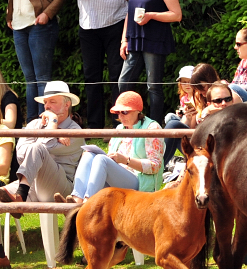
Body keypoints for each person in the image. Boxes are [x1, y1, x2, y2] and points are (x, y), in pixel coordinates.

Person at [0, 81, 84, 269]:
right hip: (30, 183)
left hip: (60, 188)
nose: (48, 107)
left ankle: (20, 198)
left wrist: (52, 125)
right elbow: (20, 154)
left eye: (53, 102)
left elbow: (42, 149)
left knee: (37, 148)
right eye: (46, 103)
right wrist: (51, 134)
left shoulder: (76, 130)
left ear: (67, 104)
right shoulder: (35, 124)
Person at [55, 91, 164, 203]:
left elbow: (155, 166)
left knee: (101, 159)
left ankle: (86, 204)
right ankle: (76, 200)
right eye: (118, 113)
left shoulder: (152, 128)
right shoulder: (120, 128)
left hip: (140, 182)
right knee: (88, 155)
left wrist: (126, 160)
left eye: (125, 112)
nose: (120, 116)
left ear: (138, 110)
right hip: (116, 178)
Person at [118, 0, 182, 123]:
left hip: (155, 39)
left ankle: (154, 126)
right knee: (124, 82)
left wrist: (151, 15)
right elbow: (129, 13)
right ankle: (130, 122)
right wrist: (124, 40)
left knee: (153, 86)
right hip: (134, 38)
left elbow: (177, 15)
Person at [7, 0, 63, 123]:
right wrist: (10, 14)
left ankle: (44, 122)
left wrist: (48, 13)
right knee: (30, 79)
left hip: (39, 24)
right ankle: (32, 124)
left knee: (42, 78)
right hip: (18, 26)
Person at [77, 0, 127, 129]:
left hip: (116, 20)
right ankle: (95, 126)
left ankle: (119, 123)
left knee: (117, 76)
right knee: (91, 78)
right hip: (87, 24)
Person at [186, 63, 242, 128]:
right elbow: (192, 127)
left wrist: (207, 112)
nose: (200, 92)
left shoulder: (226, 93)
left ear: (210, 80)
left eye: (202, 87)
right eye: (198, 89)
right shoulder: (199, 97)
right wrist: (188, 117)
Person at [163, 65, 194, 165]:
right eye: (184, 82)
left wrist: (187, 117)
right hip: (186, 124)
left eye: (189, 81)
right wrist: (182, 114)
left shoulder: (199, 97)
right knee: (170, 117)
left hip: (193, 131)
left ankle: (161, 161)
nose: (187, 84)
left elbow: (193, 126)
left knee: (172, 123)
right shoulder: (184, 97)